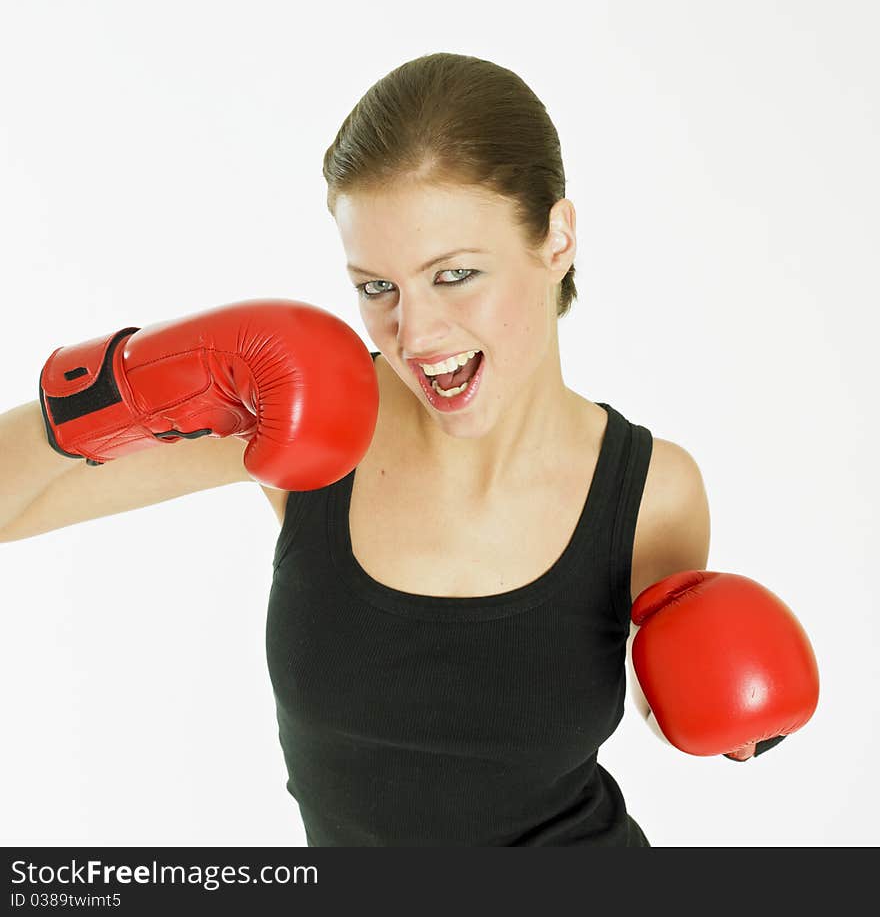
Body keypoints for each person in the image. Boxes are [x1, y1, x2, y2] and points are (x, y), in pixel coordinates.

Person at [1, 52, 816, 847]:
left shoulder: (652, 493)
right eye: (376, 287)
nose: (414, 335)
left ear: (558, 237)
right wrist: (119, 385)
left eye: (455, 274)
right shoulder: (309, 427)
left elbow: (668, 704)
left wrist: (738, 725)